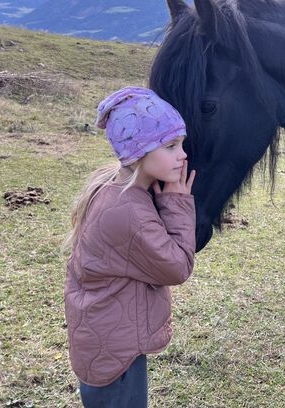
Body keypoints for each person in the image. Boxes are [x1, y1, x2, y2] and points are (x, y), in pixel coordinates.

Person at [63, 86, 197, 408]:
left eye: (181, 144)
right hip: (116, 353)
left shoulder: (116, 188)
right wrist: (177, 201)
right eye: (170, 146)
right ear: (138, 152)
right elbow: (177, 266)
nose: (183, 155)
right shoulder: (129, 211)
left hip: (107, 334)